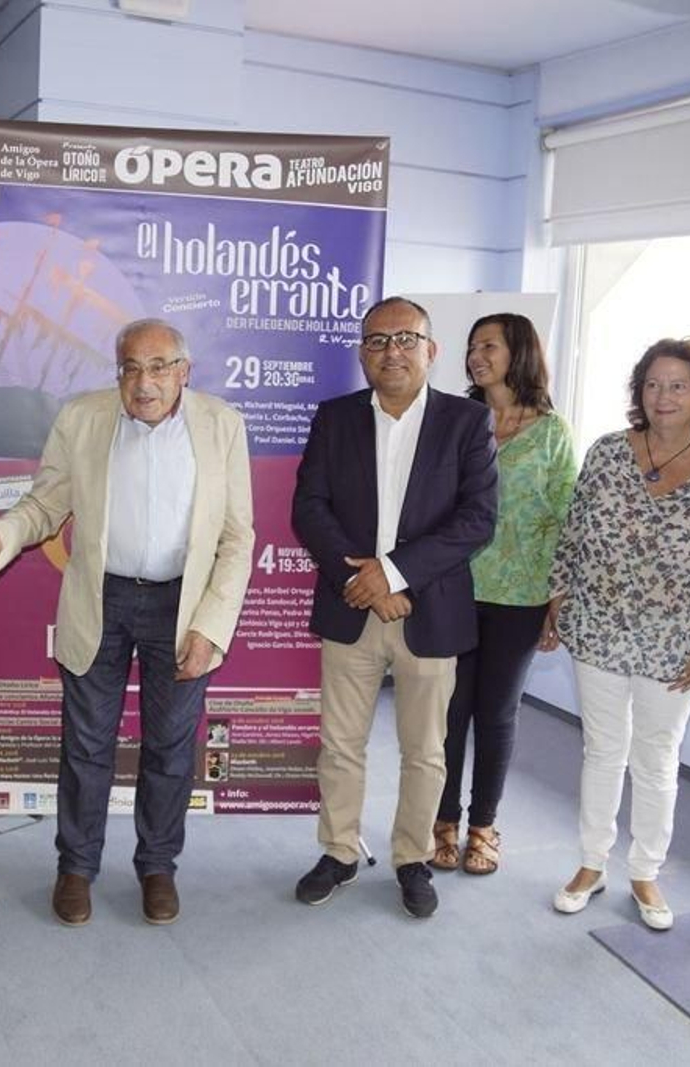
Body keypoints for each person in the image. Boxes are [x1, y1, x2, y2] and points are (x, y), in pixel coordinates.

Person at [0, 319, 254, 927]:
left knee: (169, 747)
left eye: (159, 367)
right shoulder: (83, 418)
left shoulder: (221, 426)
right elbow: (47, 502)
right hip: (99, 602)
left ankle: (157, 866)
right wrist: (1, 535)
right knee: (85, 746)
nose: (144, 382)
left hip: (182, 609)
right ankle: (75, 867)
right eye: (130, 367)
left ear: (185, 372)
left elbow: (238, 537)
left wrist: (211, 627)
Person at [291, 296, 499, 919]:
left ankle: (412, 857)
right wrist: (362, 579)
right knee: (341, 743)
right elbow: (309, 507)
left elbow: (477, 520)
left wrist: (393, 571)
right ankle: (339, 851)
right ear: (362, 354)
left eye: (406, 339)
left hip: (428, 609)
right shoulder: (335, 418)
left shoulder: (467, 423)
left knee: (425, 748)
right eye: (378, 341)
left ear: (431, 351)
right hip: (350, 604)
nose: (392, 352)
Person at [541, 337, 690, 931]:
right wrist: (558, 598)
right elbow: (574, 530)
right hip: (599, 626)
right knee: (603, 750)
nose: (664, 396)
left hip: (679, 641)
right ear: (639, 391)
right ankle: (590, 863)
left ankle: (645, 871)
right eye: (653, 384)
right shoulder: (608, 452)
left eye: (679, 384)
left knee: (656, 759)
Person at [432, 312, 575, 877]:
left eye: (487, 345)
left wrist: (558, 600)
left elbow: (568, 517)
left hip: (521, 595)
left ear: (519, 352)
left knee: (496, 713)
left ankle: (483, 826)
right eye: (471, 347)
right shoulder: (455, 421)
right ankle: (442, 820)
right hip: (452, 587)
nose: (475, 356)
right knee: (450, 709)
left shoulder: (553, 433)